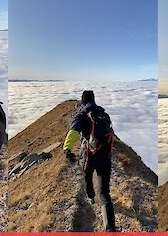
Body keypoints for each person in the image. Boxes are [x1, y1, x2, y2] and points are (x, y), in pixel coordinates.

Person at [62, 90, 116, 232]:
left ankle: (91, 196)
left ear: (82, 100)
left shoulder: (81, 115)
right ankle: (110, 229)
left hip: (89, 156)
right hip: (105, 156)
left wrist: (67, 149)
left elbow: (73, 131)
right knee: (104, 193)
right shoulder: (103, 113)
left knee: (87, 176)